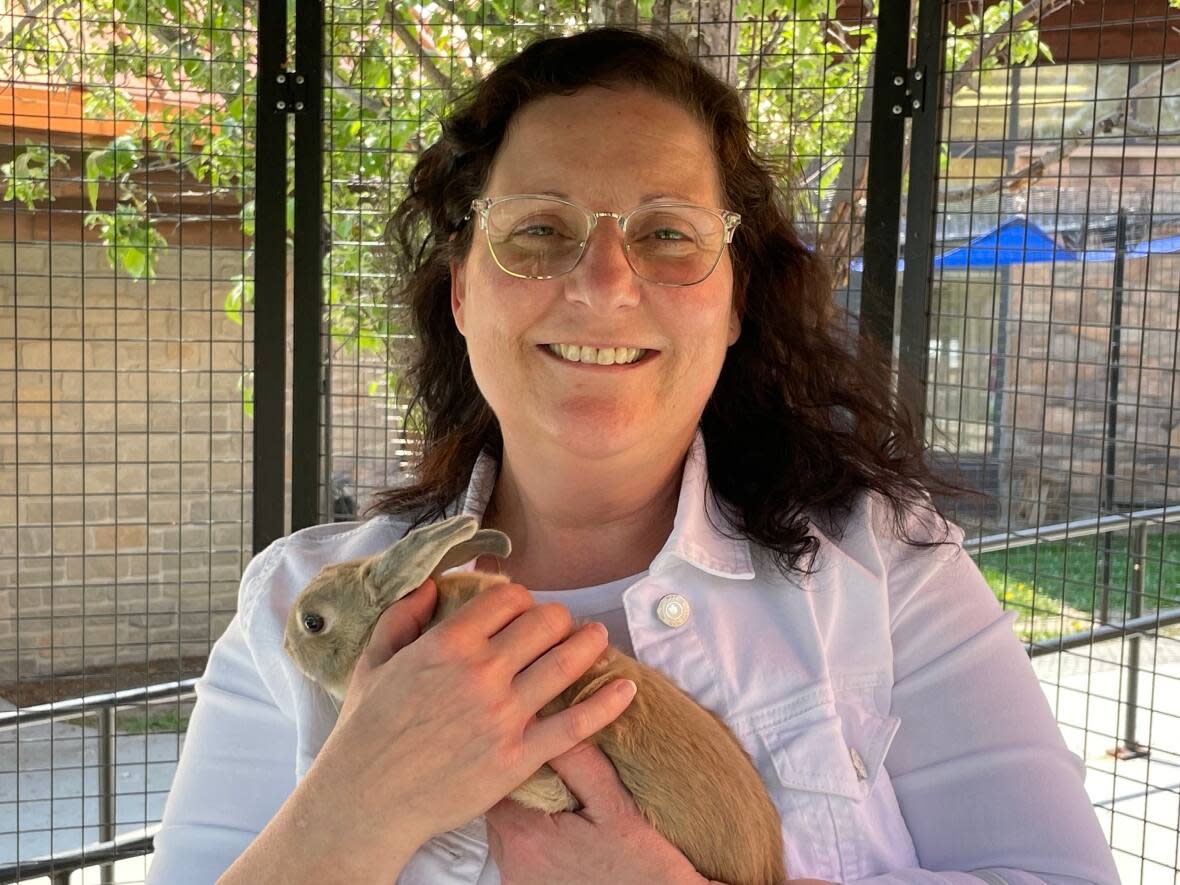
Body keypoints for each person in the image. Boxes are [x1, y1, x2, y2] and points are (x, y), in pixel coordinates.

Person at [149, 26, 1120, 885]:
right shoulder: (297, 598)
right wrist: (358, 799)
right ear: (461, 293)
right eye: (539, 230)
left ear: (735, 297)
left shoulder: (883, 566)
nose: (604, 283)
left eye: (666, 232)